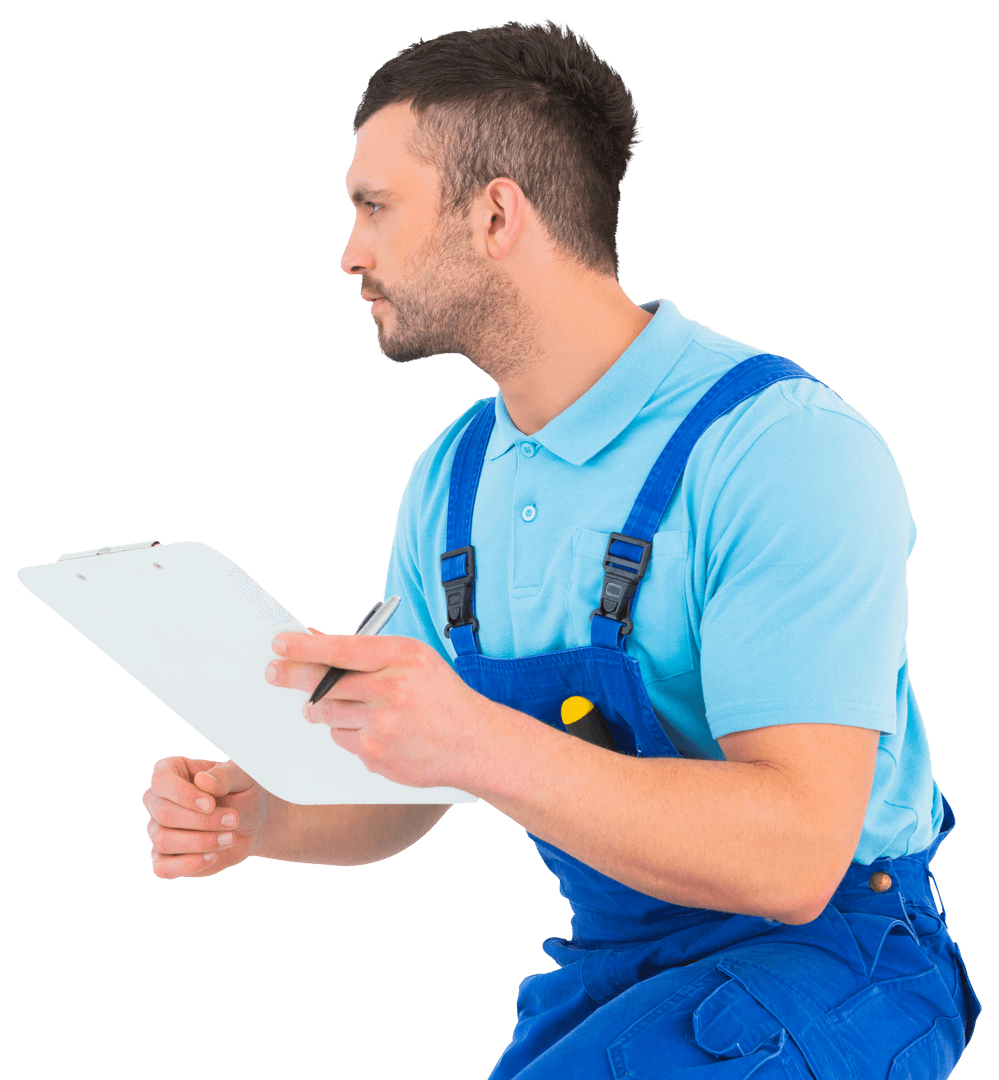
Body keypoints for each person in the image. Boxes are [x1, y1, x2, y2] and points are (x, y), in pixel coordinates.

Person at [141, 20, 981, 1079]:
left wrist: (477, 738)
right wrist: (266, 814)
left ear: (496, 213)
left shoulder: (780, 450)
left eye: (375, 206)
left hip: (835, 961)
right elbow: (410, 777)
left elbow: (794, 856)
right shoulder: (454, 480)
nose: (349, 251)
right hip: (624, 961)